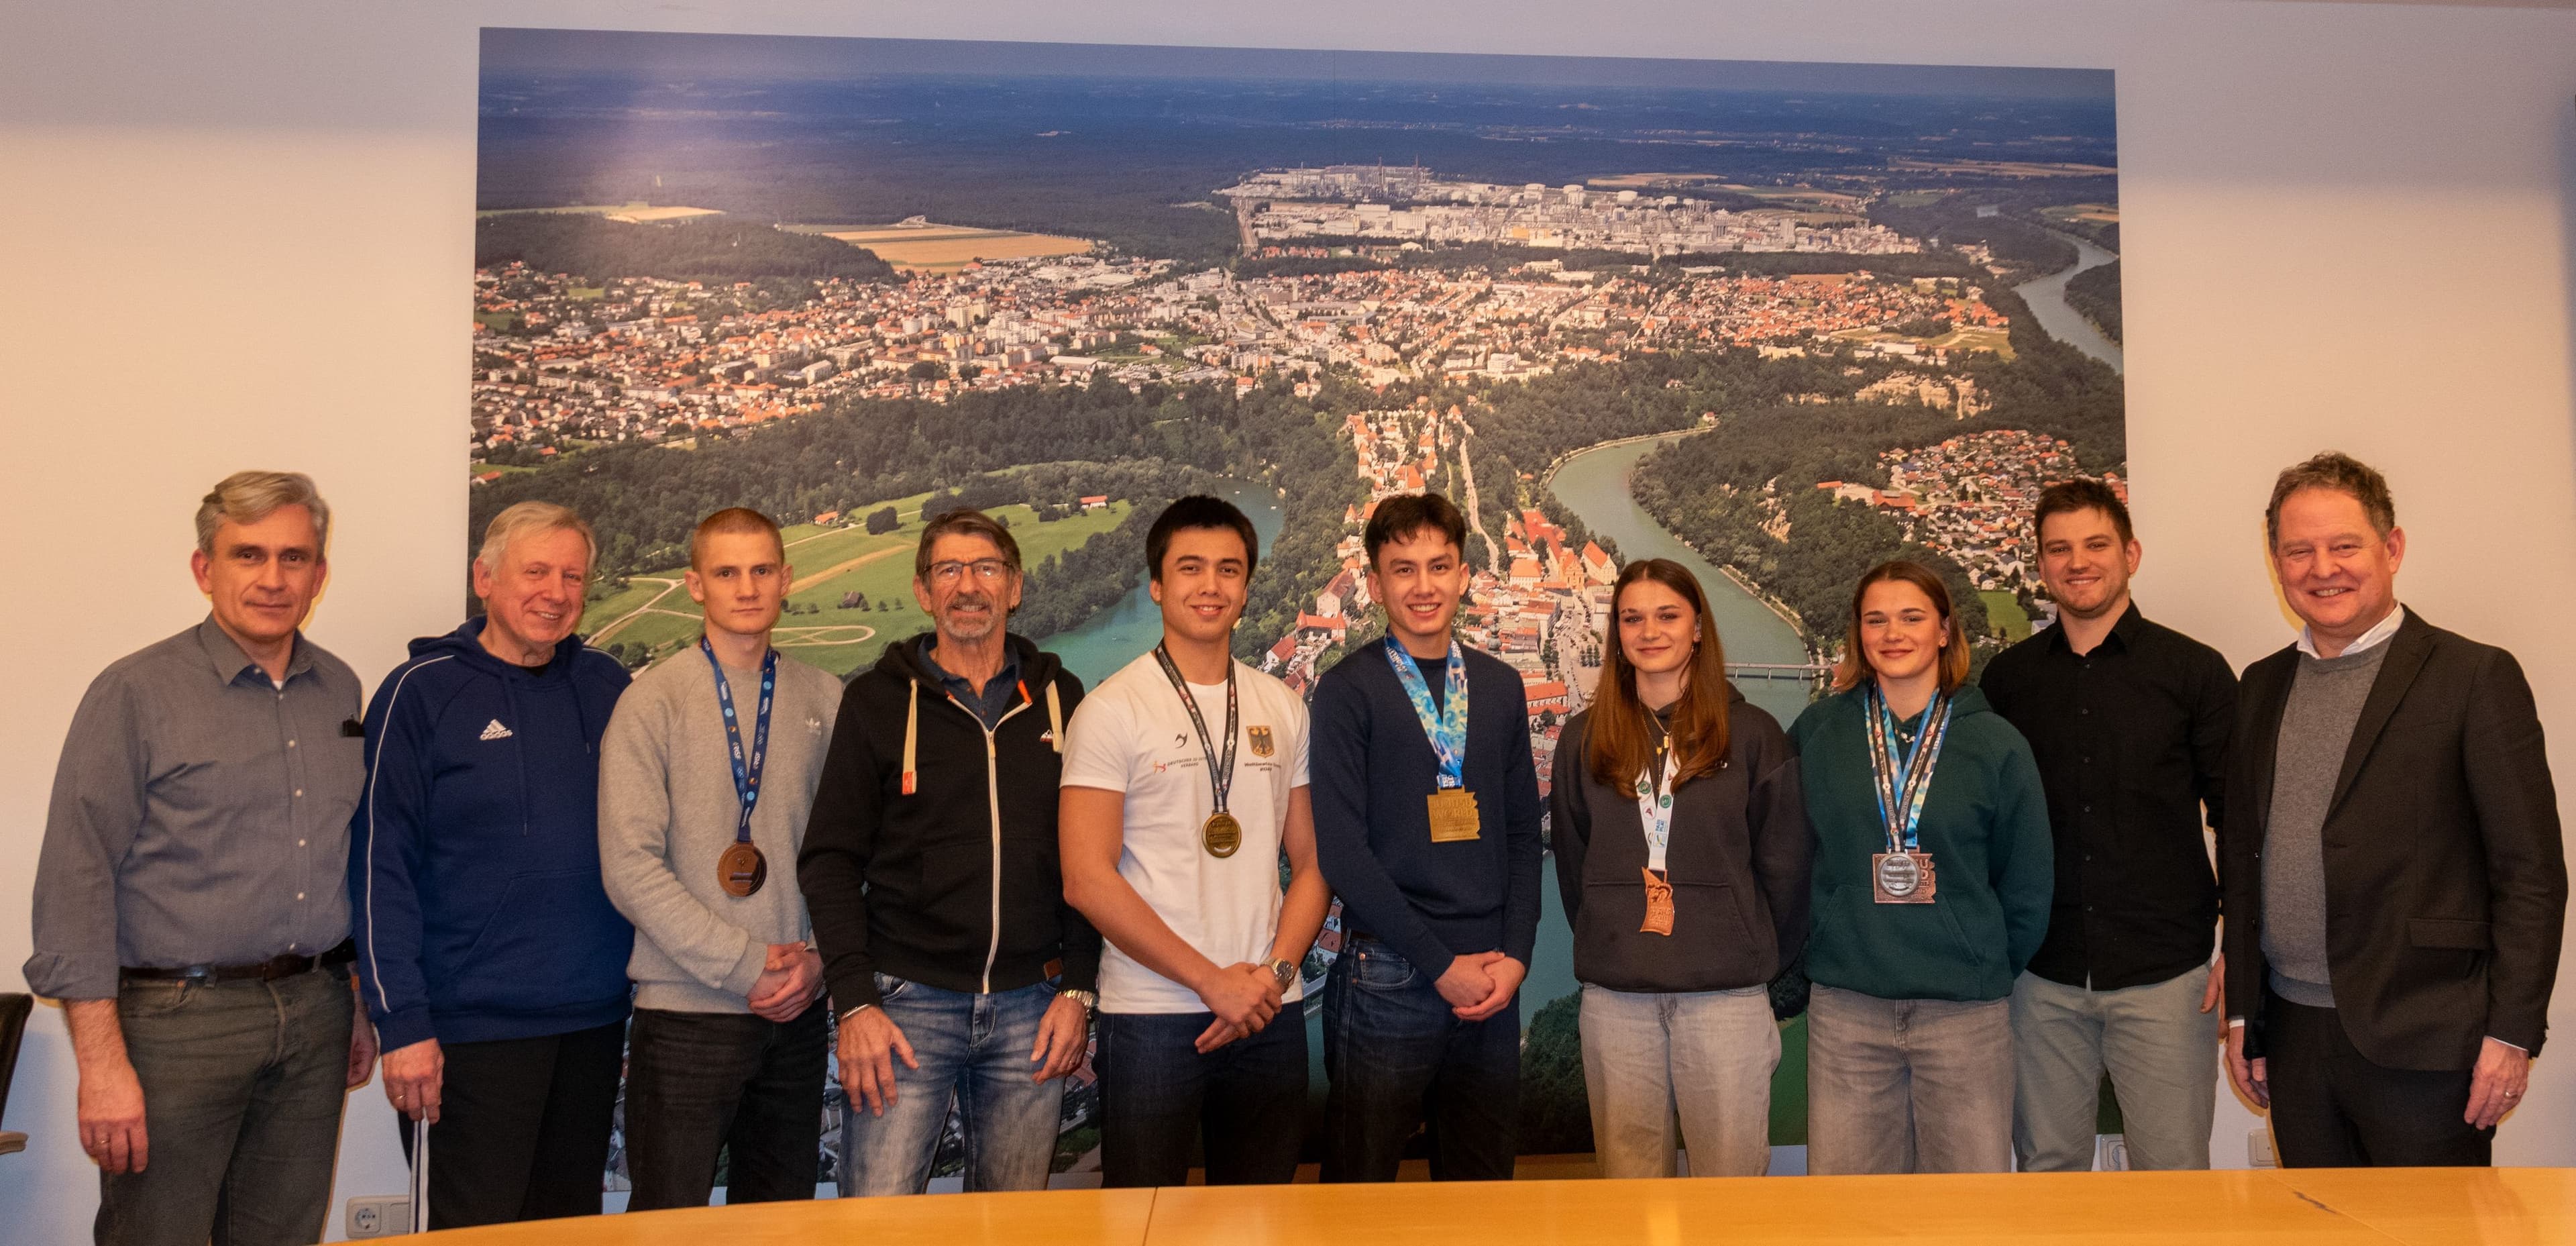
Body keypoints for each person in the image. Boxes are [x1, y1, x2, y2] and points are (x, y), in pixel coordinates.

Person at [25, 471, 374, 1246]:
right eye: (248, 555)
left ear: (319, 575)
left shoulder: (341, 691)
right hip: (177, 1026)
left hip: (315, 1016)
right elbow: (75, 878)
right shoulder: (135, 693)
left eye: (294, 558)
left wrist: (351, 996)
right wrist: (103, 1064)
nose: (273, 578)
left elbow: (343, 854)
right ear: (203, 568)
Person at [2220, 452, 2566, 1167]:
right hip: (2293, 1036)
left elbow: (2530, 872)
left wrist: (2512, 1035)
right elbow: (2244, 855)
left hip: (2428, 1040)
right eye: (2299, 551)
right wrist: (2244, 1013)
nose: (2323, 569)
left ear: (2393, 547)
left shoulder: (2474, 677)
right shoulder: (2260, 686)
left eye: (2344, 545)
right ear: (2277, 562)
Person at [348, 500, 634, 1229]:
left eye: (573, 575)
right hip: (466, 1036)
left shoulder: (608, 688)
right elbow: (379, 865)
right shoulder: (421, 692)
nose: (557, 591)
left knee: (567, 1227)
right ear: (484, 577)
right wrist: (402, 1024)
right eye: (536, 570)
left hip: (593, 1023)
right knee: (472, 1233)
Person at [799, 507, 1098, 1195]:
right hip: (905, 1010)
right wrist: (854, 1002)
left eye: (987, 568)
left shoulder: (1062, 698)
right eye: (949, 570)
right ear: (924, 591)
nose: (969, 585)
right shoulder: (876, 702)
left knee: (1013, 1229)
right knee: (880, 1227)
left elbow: (1090, 859)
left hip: (1034, 1006)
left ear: (1015, 587)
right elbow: (830, 861)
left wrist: (1079, 987)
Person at [1059, 495, 1330, 1188]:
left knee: (1263, 1220)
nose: (1210, 586)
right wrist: (1213, 983)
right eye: (1190, 568)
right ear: (1156, 585)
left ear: (1245, 588)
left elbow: (1313, 863)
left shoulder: (1283, 705)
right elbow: (1086, 879)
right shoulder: (1111, 709)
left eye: (1228, 570)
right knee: (1141, 1224)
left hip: (1268, 1011)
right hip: (1152, 1017)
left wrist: (1271, 978)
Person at [1980, 479, 2236, 1172]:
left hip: (2166, 978)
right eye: (2058, 549)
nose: (2078, 562)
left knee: (2173, 1176)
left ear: (2131, 554)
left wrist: (2240, 943)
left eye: (2096, 544)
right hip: (2042, 979)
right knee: (2048, 1172)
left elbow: (2240, 820)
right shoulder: (2007, 683)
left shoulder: (2195, 673)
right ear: (2040, 566)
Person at [598, 508, 836, 1209]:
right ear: (695, 585)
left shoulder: (827, 697)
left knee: (780, 1220)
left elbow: (849, 856)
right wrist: (745, 965)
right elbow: (630, 868)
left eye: (762, 570)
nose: (747, 587)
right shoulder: (651, 703)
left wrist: (818, 961)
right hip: (687, 1014)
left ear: (787, 579)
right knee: (668, 1222)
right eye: (727, 572)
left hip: (796, 1011)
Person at [1789, 559, 2052, 1175]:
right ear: (1858, 634)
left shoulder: (1998, 744)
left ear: (1943, 630)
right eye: (1875, 619)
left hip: (1964, 1015)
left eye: (1912, 617)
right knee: (1852, 1215)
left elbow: (2028, 883)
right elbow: (1787, 857)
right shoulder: (1816, 734)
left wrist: (1975, 956)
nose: (1892, 632)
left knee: (1969, 1216)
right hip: (1848, 1008)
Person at [1309, 492, 1543, 1182]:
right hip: (1390, 974)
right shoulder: (1347, 691)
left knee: (1480, 1188)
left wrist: (1520, 957)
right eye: (1403, 570)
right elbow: (1344, 854)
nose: (1424, 586)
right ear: (1375, 585)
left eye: (1439, 566)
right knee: (1361, 1190)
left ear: (1464, 575)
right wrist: (1442, 965)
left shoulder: (1499, 687)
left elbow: (1525, 834)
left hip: (1494, 975)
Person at [1552, 558, 1807, 1179]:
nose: (1650, 630)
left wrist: (1748, 949)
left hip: (1725, 1000)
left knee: (1730, 1189)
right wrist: (1613, 931)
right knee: (1630, 1189)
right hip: (1617, 1001)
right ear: (1617, 633)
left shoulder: (1753, 734)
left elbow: (1785, 869)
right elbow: (1573, 864)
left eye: (1668, 614)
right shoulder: (1585, 738)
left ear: (1698, 627)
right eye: (1632, 617)